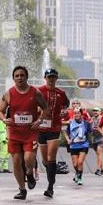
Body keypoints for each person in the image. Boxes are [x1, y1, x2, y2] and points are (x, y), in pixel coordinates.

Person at [0, 65, 46, 200]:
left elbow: (45, 109)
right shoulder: (8, 93)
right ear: (13, 78)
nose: (19, 78)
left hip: (30, 133)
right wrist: (4, 119)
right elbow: (0, 111)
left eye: (22, 75)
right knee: (16, 161)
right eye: (16, 76)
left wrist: (40, 120)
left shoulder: (35, 93)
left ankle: (30, 173)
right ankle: (22, 189)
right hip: (14, 133)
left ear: (26, 77)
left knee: (28, 159)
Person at [37, 68, 70, 198]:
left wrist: (63, 111)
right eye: (49, 77)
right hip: (41, 128)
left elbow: (66, 104)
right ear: (45, 78)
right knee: (45, 160)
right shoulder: (39, 91)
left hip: (54, 128)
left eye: (53, 77)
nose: (51, 79)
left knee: (52, 158)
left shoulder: (61, 93)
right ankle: (51, 172)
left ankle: (50, 187)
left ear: (56, 79)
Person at [65, 107, 91, 186]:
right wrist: (67, 140)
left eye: (78, 113)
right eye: (75, 113)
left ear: (81, 114)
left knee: (80, 162)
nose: (76, 115)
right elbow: (65, 133)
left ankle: (79, 178)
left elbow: (91, 131)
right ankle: (77, 173)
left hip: (84, 144)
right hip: (73, 145)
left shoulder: (86, 123)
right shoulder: (70, 123)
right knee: (75, 165)